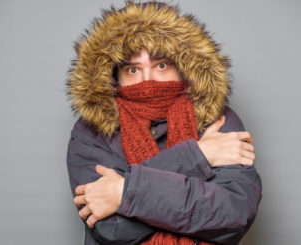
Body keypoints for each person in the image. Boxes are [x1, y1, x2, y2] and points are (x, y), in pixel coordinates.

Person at [66, 1, 262, 244]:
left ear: (183, 66)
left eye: (161, 65)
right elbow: (113, 229)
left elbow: (232, 215)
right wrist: (197, 156)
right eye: (133, 70)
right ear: (114, 75)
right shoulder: (91, 131)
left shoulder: (218, 120)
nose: (148, 80)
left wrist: (125, 192)